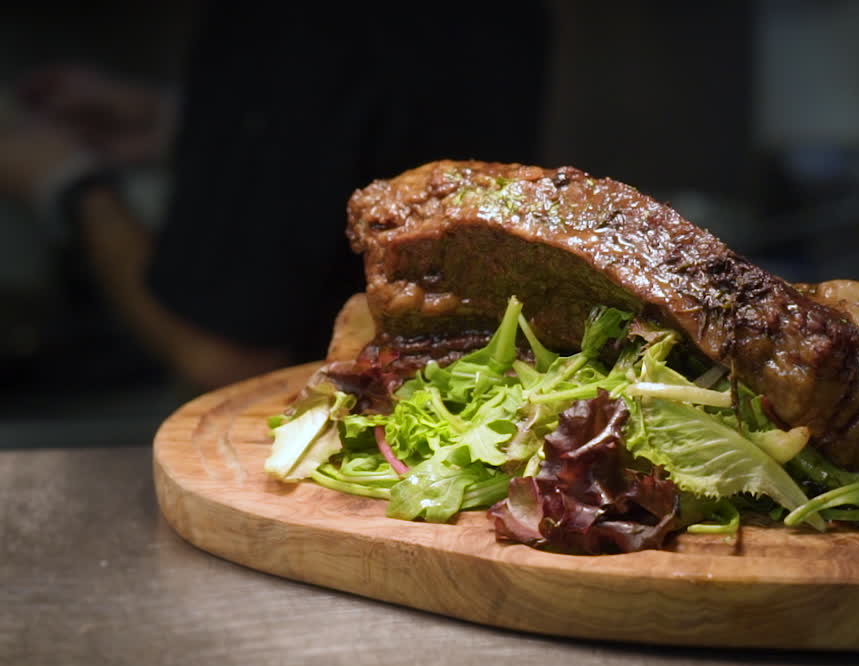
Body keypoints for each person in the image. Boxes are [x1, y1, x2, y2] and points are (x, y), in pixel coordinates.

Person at [0, 4, 550, 393]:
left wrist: (66, 182)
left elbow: (219, 355)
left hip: (329, 430)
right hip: (457, 382)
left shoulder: (285, 21)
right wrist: (181, 124)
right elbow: (371, 125)